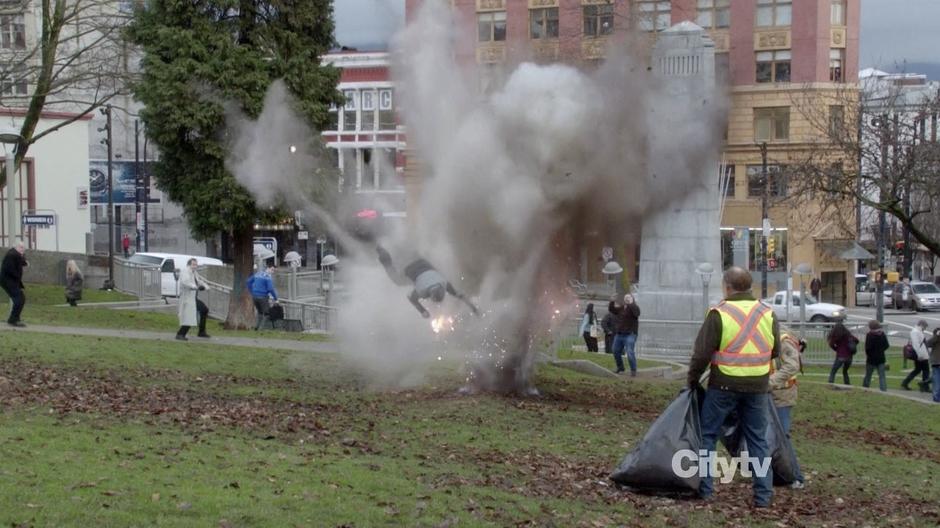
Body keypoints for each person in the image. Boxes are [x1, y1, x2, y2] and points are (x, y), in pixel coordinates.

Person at [687, 266, 779, 508]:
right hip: (758, 386)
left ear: (727, 286)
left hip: (723, 386)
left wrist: (692, 380)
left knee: (708, 436)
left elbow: (701, 353)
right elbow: (775, 350)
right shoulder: (767, 313)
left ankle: (706, 490)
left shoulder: (719, 313)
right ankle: (763, 496)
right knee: (758, 440)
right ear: (750, 287)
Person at [376, 245, 480, 319]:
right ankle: (385, 259)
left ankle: (413, 250)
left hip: (424, 263)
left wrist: (473, 308)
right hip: (412, 268)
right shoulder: (423, 290)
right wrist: (423, 311)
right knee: (398, 281)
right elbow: (411, 298)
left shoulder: (444, 282)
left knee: (431, 272)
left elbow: (460, 295)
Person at [769, 331, 805, 489]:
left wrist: (769, 382)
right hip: (767, 395)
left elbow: (792, 366)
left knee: (782, 437)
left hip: (782, 395)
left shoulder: (782, 340)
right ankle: (773, 474)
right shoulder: (762, 337)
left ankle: (795, 476)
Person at [176, 258, 209, 340]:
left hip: (193, 298)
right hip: (187, 298)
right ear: (189, 264)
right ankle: (180, 334)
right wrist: (196, 287)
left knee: (204, 310)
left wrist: (206, 286)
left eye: (196, 264)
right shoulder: (185, 272)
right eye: (193, 264)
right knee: (189, 316)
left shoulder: (194, 273)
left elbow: (199, 281)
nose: (195, 266)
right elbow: (186, 282)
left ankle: (201, 332)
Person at [609, 293, 640, 375]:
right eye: (625, 297)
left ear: (632, 299)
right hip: (620, 334)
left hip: (630, 334)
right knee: (615, 351)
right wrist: (612, 301)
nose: (627, 298)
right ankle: (620, 367)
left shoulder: (634, 307)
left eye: (629, 297)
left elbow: (637, 314)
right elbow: (612, 310)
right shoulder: (622, 308)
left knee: (629, 352)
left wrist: (631, 304)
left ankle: (633, 370)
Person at [1, 240, 28, 327]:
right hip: (7, 281)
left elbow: (20, 261)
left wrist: (24, 262)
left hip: (10, 281)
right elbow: (9, 269)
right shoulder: (12, 254)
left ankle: (14, 318)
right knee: (19, 299)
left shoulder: (15, 254)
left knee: (21, 298)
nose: (22, 249)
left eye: (23, 247)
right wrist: (17, 275)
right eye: (20, 247)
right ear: (15, 247)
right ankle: (13, 320)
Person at [247, 263, 279, 331]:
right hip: (263, 297)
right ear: (268, 268)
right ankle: (260, 329)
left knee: (260, 312)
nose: (272, 272)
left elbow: (248, 281)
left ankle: (256, 327)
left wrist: (251, 291)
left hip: (254, 297)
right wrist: (276, 298)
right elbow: (270, 289)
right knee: (266, 314)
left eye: (274, 271)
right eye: (272, 270)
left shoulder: (258, 273)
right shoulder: (268, 277)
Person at [902, 319, 931, 392]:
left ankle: (905, 382)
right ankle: (925, 386)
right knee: (925, 370)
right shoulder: (916, 332)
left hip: (920, 354)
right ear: (922, 325)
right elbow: (916, 345)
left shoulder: (917, 331)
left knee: (918, 370)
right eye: (925, 327)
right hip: (920, 355)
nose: (925, 328)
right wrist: (920, 355)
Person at [862, 319, 889, 392]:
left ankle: (865, 388)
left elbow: (868, 348)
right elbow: (886, 345)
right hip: (881, 357)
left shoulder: (870, 335)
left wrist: (869, 354)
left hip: (871, 358)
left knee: (868, 375)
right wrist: (881, 350)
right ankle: (883, 390)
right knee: (882, 376)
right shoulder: (882, 334)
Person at [926, 327, 940, 403]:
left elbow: (928, 343)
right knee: (937, 380)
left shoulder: (935, 339)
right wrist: (936, 336)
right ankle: (937, 397)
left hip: (936, 362)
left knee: (937, 380)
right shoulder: (935, 339)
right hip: (936, 362)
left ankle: (936, 397)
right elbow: (928, 344)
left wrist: (936, 336)